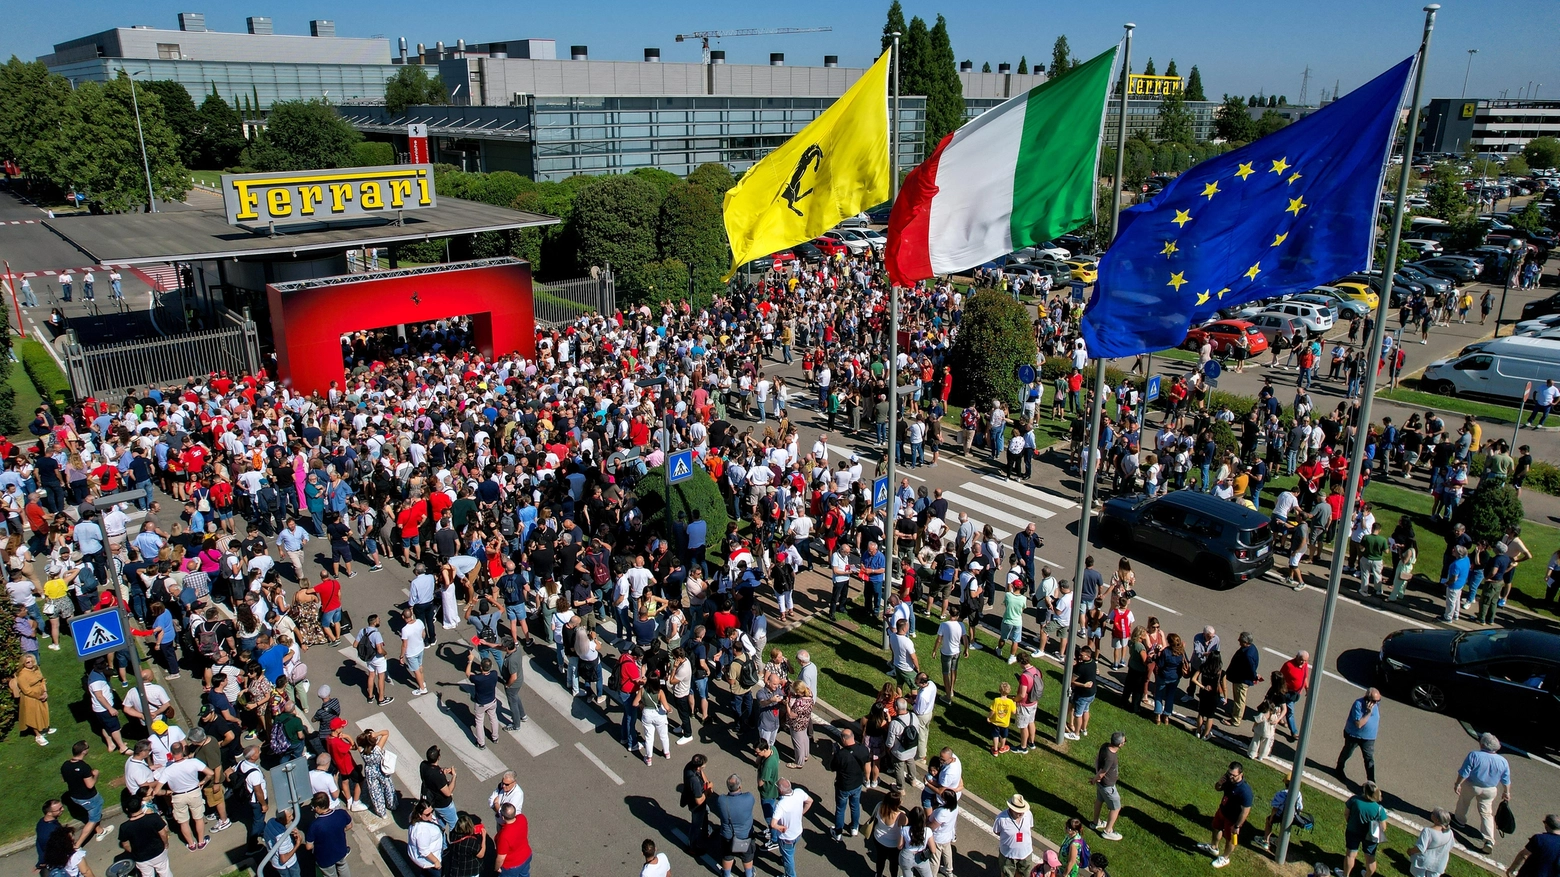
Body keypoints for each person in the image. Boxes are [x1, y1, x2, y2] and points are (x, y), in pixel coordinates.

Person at [1454, 732, 1512, 854]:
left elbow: (1464, 772)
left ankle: (1459, 820)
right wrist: (1507, 792)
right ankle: (1489, 840)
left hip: (1472, 785)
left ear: (1482, 744)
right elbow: (1506, 780)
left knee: (1464, 802)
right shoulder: (1503, 761)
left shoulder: (1474, 755)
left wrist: (1458, 783)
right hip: (1490, 790)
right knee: (1486, 813)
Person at [1198, 762, 1252, 869]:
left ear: (1241, 774)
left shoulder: (1245, 791)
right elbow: (1217, 788)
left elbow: (1245, 811)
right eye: (1229, 773)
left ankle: (1225, 858)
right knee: (1216, 827)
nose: (1230, 777)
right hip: (1222, 811)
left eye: (1233, 775)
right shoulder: (1227, 779)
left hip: (1233, 820)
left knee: (1230, 839)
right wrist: (1219, 783)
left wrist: (1237, 826)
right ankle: (1213, 847)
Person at [118, 790, 172, 877]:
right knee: (165, 872)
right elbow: (163, 834)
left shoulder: (124, 827)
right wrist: (165, 844)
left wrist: (134, 852)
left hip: (141, 857)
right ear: (140, 805)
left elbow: (126, 845)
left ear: (127, 809)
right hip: (158, 852)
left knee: (147, 875)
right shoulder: (154, 818)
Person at [829, 727, 870, 840]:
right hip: (857, 784)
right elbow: (867, 765)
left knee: (840, 809)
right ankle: (854, 828)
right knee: (855, 806)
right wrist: (867, 778)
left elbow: (832, 768)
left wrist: (834, 754)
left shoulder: (841, 755)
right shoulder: (863, 749)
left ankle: (838, 832)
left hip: (843, 786)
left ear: (843, 739)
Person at [1343, 781, 1389, 877]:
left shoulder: (1354, 800)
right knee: (1370, 858)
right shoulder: (1379, 809)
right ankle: (1367, 875)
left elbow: (1346, 814)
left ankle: (1346, 875)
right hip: (1371, 837)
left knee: (1350, 855)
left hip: (1353, 830)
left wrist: (1350, 822)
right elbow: (1383, 827)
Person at [1337, 687, 1382, 785]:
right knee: (1347, 753)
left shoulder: (1376, 703)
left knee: (1369, 759)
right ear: (1367, 699)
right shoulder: (1358, 704)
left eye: (1378, 700)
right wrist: (1368, 712)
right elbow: (1359, 724)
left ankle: (1371, 782)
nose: (1376, 703)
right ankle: (1339, 769)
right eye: (1374, 701)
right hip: (1354, 736)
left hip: (1369, 738)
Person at [303, 792, 354, 877]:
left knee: (330, 874)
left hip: (325, 858)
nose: (314, 809)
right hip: (340, 850)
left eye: (314, 807)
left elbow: (308, 846)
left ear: (318, 807)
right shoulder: (341, 813)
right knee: (343, 866)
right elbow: (349, 826)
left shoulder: (315, 825)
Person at [769, 778, 812, 877]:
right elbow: (809, 801)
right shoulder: (799, 792)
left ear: (780, 790)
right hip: (798, 832)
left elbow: (773, 824)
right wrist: (801, 813)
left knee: (789, 859)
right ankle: (785, 859)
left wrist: (780, 828)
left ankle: (790, 875)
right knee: (790, 852)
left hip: (787, 837)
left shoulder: (781, 805)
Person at [716, 774, 757, 877]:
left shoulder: (721, 800)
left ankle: (726, 874)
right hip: (745, 836)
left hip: (728, 836)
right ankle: (749, 874)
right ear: (740, 787)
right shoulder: (749, 797)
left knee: (727, 856)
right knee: (747, 857)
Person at [1092, 732, 1126, 841]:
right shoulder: (1111, 757)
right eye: (1124, 741)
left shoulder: (1104, 746)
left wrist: (1096, 776)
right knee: (1116, 807)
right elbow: (1103, 772)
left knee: (1099, 800)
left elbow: (1097, 759)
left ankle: (1095, 822)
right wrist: (1095, 779)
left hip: (1101, 784)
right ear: (1120, 744)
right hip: (1107, 786)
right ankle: (1108, 831)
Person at [867, 788, 906, 877]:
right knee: (893, 863)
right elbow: (906, 823)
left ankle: (879, 874)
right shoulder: (900, 815)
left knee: (880, 858)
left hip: (878, 838)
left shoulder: (879, 806)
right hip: (893, 844)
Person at [993, 794, 1034, 877]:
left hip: (1026, 854)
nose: (1021, 813)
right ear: (1011, 808)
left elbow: (1030, 827)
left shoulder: (1028, 814)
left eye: (1022, 810)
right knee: (1007, 874)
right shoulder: (1001, 819)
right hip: (1008, 855)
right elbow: (997, 831)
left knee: (1024, 874)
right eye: (1018, 811)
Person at [420, 746, 458, 831]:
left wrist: (442, 773)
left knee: (440, 826)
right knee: (454, 825)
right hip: (444, 804)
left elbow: (432, 778)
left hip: (434, 802)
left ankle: (443, 844)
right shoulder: (437, 776)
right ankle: (453, 843)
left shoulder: (423, 765)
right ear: (439, 757)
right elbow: (448, 793)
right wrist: (454, 776)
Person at [1408, 808, 1455, 877]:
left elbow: (1420, 848)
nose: (1431, 814)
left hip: (1424, 861)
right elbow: (1450, 846)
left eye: (1433, 814)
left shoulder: (1427, 831)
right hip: (1440, 862)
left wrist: (1410, 851)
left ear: (1437, 820)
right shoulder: (1450, 832)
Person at [407, 800, 446, 877]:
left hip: (426, 860)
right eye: (427, 814)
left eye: (432, 811)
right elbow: (424, 850)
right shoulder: (422, 831)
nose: (431, 815)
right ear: (420, 815)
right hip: (430, 863)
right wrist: (436, 861)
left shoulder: (419, 817)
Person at [988, 681, 1016, 755]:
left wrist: (988, 717)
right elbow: (1014, 712)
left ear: (999, 690)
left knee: (995, 736)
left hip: (996, 722)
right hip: (1005, 723)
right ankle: (1002, 747)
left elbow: (992, 711)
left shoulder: (996, 700)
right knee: (1004, 736)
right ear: (1009, 691)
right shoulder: (1010, 702)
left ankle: (995, 750)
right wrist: (1015, 703)